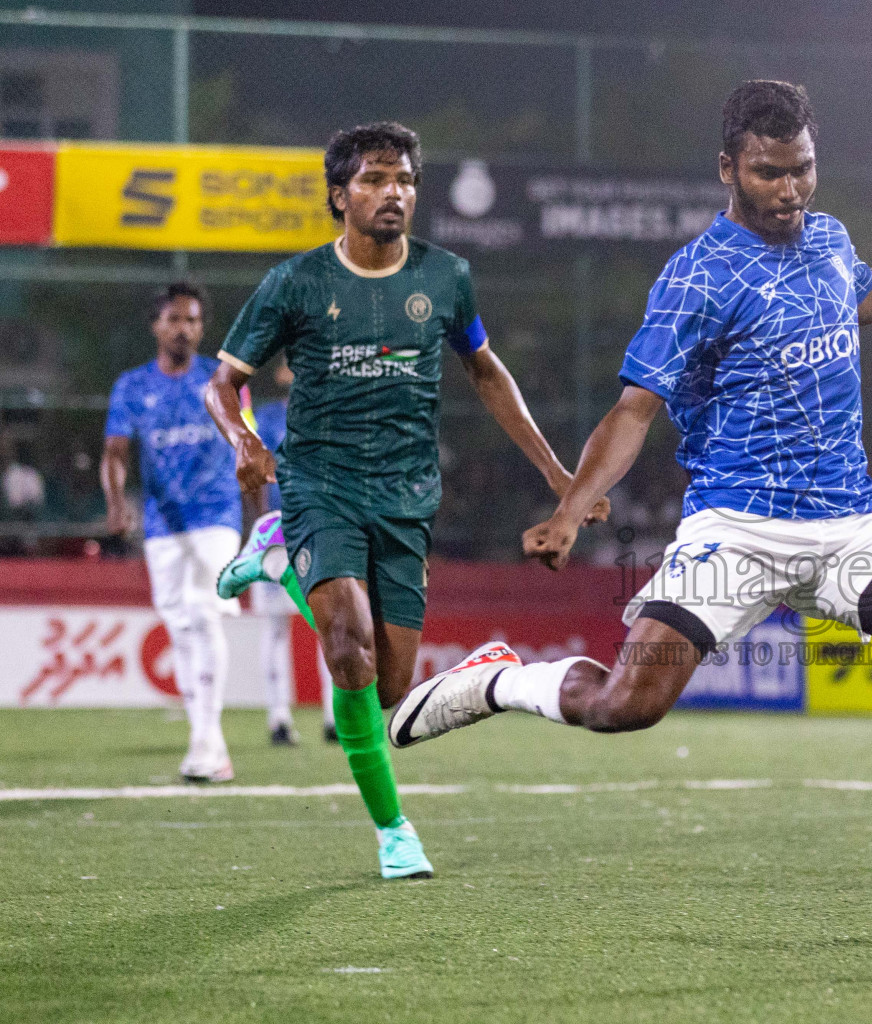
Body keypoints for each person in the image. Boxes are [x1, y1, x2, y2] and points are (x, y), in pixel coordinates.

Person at [393, 81, 872, 920]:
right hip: (735, 531)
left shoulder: (827, 238)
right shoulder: (697, 278)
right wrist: (572, 505)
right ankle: (498, 683)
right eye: (770, 173)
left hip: (849, 527)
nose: (790, 191)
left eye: (804, 170)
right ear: (728, 169)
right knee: (623, 707)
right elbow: (636, 408)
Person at [203, 122, 607, 880]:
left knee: (392, 696)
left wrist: (559, 475)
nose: (395, 193)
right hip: (320, 482)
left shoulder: (446, 277)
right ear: (339, 195)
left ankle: (271, 557)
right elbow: (223, 382)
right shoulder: (295, 283)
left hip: (406, 494)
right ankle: (395, 832)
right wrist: (246, 443)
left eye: (406, 181)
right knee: (347, 652)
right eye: (376, 179)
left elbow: (486, 372)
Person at [101, 282, 244, 783]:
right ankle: (207, 740)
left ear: (202, 328)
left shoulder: (222, 381)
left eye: (194, 320)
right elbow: (116, 454)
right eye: (175, 319)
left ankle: (206, 743)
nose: (185, 329)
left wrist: (259, 509)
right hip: (163, 525)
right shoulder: (132, 387)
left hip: (215, 517)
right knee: (181, 627)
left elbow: (246, 440)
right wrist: (118, 505)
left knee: (205, 615)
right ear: (157, 325)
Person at [246, 356, 337, 746]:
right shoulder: (265, 417)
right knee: (276, 628)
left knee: (329, 623)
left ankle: (335, 717)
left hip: (320, 529)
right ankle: (279, 718)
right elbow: (253, 473)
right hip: (278, 531)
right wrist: (262, 527)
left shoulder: (330, 415)